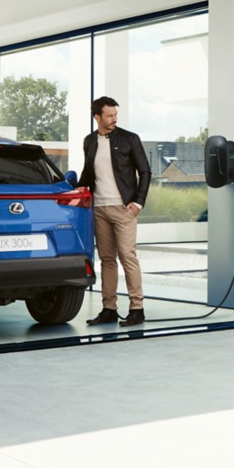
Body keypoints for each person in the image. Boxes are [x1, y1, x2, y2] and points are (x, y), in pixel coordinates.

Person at [80, 96, 152, 327]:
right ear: (97, 117)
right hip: (99, 209)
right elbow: (87, 173)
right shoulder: (89, 141)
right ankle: (109, 309)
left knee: (128, 257)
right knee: (107, 260)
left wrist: (137, 203)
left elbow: (146, 172)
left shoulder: (129, 139)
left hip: (124, 209)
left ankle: (137, 309)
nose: (114, 119)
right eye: (109, 115)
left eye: (115, 115)